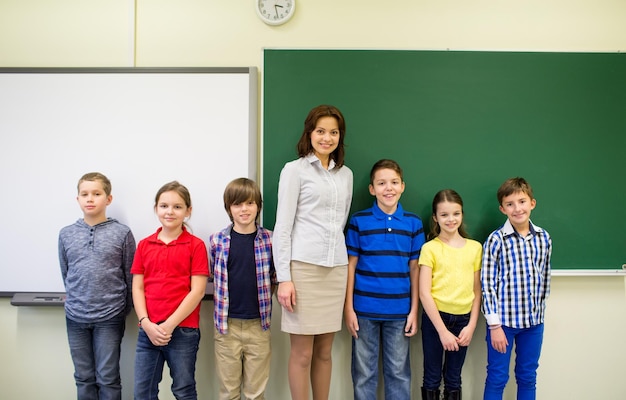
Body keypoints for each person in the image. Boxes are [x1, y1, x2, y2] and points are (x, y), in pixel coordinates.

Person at [273, 104, 353, 400]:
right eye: (321, 131)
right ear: (310, 133)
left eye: (333, 132)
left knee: (325, 352)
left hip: (335, 269)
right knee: (303, 353)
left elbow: (340, 222)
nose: (327, 138)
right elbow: (282, 226)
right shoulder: (294, 171)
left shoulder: (346, 175)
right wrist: (284, 277)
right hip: (302, 269)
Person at [344, 159, 424, 400]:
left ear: (402, 186)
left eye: (394, 182)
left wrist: (414, 311)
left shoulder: (413, 223)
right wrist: (348, 308)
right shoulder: (359, 221)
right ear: (372, 189)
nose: (388, 188)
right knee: (363, 374)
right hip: (363, 311)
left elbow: (415, 270)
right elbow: (350, 266)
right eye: (381, 183)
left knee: (399, 373)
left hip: (399, 312)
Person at [58, 172, 136, 400]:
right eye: (84, 194)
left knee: (108, 377)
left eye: (96, 193)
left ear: (108, 199)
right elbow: (66, 273)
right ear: (78, 199)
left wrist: (124, 309)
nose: (90, 198)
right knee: (83, 378)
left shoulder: (122, 233)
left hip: (109, 317)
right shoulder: (66, 234)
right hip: (75, 317)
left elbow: (130, 274)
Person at [131, 181, 209, 400]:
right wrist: (146, 322)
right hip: (148, 331)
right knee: (143, 393)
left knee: (183, 390)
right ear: (156, 208)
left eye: (177, 206)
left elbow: (197, 291)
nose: (170, 211)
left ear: (188, 211)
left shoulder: (195, 245)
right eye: (164, 206)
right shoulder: (145, 245)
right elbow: (137, 287)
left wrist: (168, 325)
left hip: (183, 330)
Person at [481, 177, 552, 400]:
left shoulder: (543, 238)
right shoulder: (496, 240)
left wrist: (540, 311)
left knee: (528, 376)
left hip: (534, 323)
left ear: (532, 203)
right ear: (502, 209)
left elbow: (545, 276)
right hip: (504, 324)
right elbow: (487, 284)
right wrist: (494, 326)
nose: (517, 208)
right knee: (497, 377)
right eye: (510, 204)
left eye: (522, 201)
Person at [209, 177, 277, 400]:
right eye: (237, 204)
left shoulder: (270, 240)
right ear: (229, 208)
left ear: (258, 205)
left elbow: (275, 278)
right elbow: (212, 275)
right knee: (228, 391)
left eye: (250, 203)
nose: (244, 209)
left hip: (259, 326)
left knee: (255, 393)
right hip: (226, 327)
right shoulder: (217, 241)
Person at [418, 189, 483, 400]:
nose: (450, 219)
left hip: (463, 321)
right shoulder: (430, 249)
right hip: (436, 319)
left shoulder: (475, 248)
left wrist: (471, 325)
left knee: (454, 378)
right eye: (444, 215)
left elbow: (476, 290)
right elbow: (424, 293)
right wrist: (442, 331)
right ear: (435, 218)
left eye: (456, 213)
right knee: (432, 377)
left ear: (462, 214)